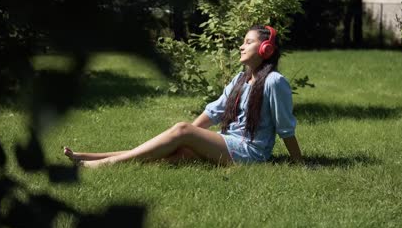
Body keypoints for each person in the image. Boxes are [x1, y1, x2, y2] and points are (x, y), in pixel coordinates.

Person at [64, 25, 302, 168]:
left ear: (266, 50)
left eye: (248, 42)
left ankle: (99, 166)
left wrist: (298, 162)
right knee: (180, 153)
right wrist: (187, 136)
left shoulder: (274, 82)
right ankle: (90, 158)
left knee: (181, 131)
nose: (241, 46)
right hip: (230, 143)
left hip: (251, 153)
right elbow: (215, 111)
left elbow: (285, 128)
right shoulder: (240, 78)